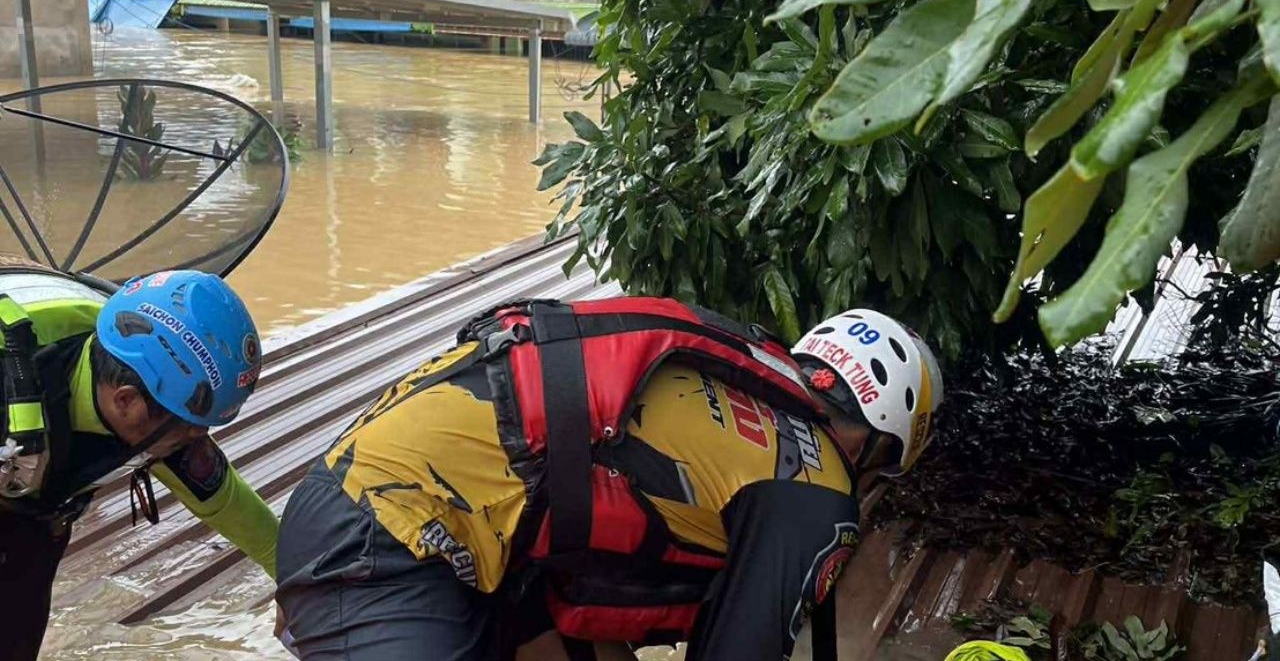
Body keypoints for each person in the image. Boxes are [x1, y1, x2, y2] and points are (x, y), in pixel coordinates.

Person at [275, 297, 943, 661]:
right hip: (385, 546)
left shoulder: (745, 380)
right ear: (882, 443)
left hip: (406, 513)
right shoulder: (818, 489)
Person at [0, 257, 278, 661]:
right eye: (189, 430)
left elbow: (227, 503)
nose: (195, 442)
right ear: (127, 403)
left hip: (35, 506)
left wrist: (302, 584)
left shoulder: (138, 370)